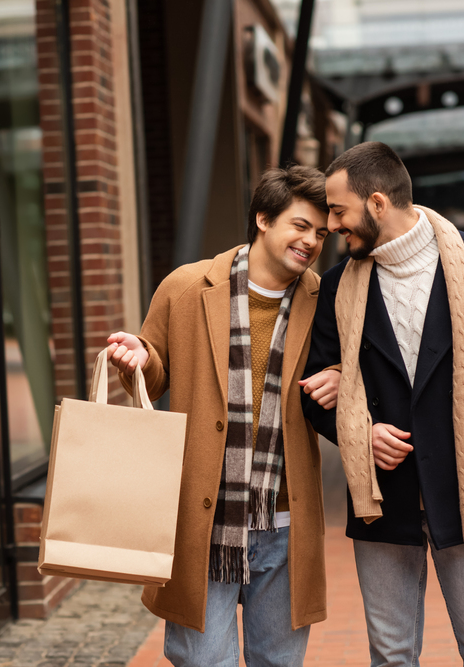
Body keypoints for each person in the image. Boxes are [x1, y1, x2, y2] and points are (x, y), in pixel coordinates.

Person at [300, 142, 464, 667]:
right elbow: (317, 391)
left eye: (339, 211)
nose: (332, 224)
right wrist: (359, 433)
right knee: (390, 654)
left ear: (376, 203)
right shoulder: (337, 288)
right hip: (382, 497)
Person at [106, 165, 338, 667]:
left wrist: (341, 376)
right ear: (263, 218)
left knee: (277, 661)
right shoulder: (186, 286)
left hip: (283, 520)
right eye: (300, 225)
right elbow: (156, 370)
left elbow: (349, 371)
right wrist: (139, 358)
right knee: (202, 660)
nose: (311, 241)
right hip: (202, 518)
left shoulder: (325, 299)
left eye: (321, 232)